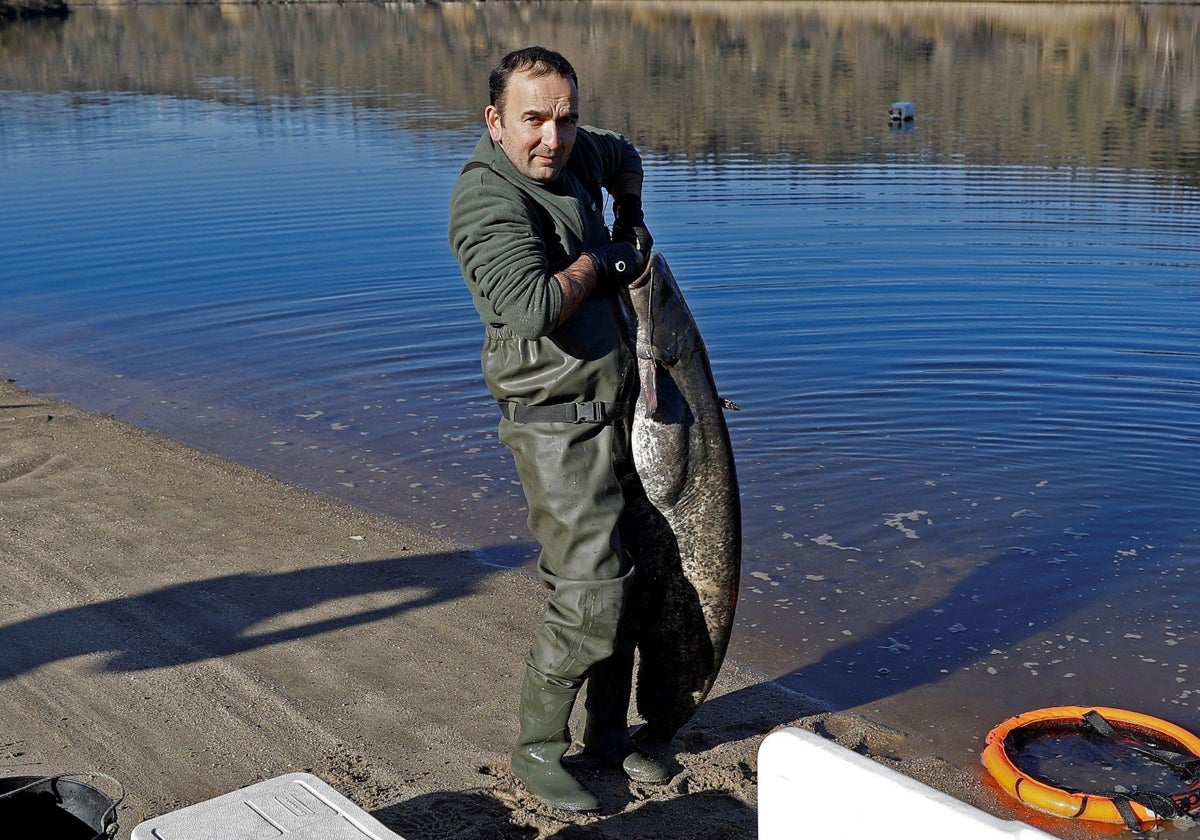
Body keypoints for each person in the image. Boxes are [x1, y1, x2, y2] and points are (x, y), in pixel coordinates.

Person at [447, 46, 666, 812]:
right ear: (496, 121)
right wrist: (608, 261)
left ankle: (609, 736)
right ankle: (538, 748)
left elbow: (626, 153)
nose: (553, 137)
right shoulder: (486, 202)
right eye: (533, 119)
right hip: (554, 426)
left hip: (616, 409)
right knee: (591, 590)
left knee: (636, 578)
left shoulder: (572, 153)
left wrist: (631, 212)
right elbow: (535, 306)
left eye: (565, 118)